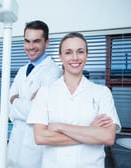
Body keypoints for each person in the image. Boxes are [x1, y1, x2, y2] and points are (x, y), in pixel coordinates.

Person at [27, 32, 121, 168]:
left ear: (87, 55)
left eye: (80, 52)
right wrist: (90, 132)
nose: (75, 58)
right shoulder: (45, 92)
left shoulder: (102, 93)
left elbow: (107, 137)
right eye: (68, 52)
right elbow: (41, 137)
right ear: (60, 56)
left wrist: (60, 126)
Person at [7, 20, 62, 168]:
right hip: (14, 144)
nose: (30, 47)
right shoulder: (21, 70)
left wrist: (14, 100)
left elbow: (38, 111)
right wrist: (14, 102)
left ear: (47, 42)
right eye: (27, 41)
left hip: (33, 151)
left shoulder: (53, 72)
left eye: (36, 41)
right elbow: (7, 108)